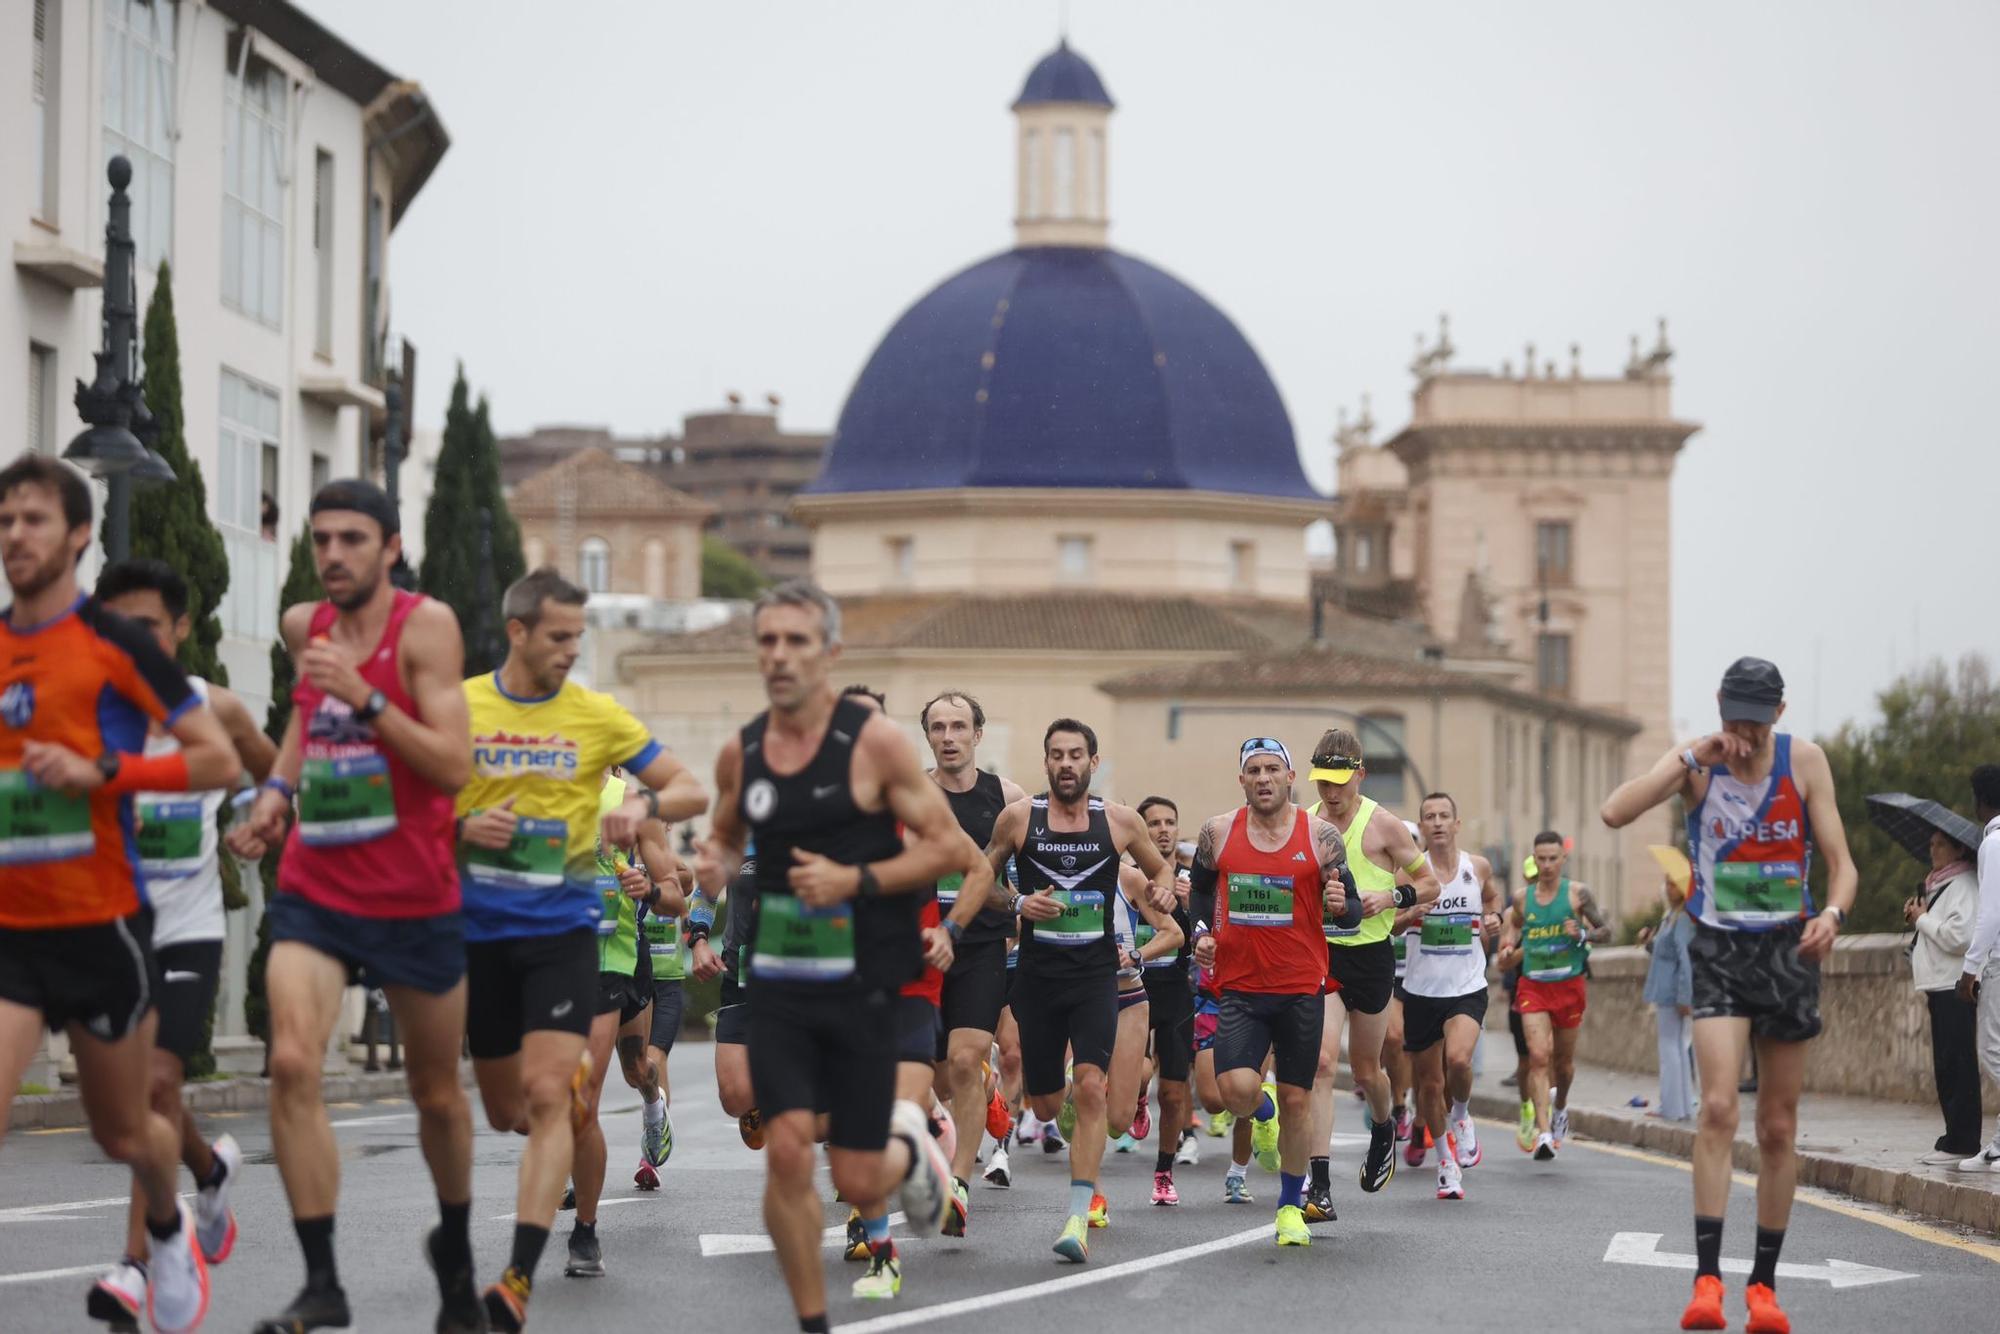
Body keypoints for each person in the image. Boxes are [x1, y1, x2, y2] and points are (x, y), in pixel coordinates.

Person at [232, 479, 482, 1334]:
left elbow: (453, 766)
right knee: (294, 1063)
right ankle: (322, 1282)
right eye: (321, 540)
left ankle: (453, 1246)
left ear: (391, 546)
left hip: (414, 895)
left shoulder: (428, 627)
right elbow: (307, 718)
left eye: (351, 539)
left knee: (438, 1094)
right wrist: (276, 789)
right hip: (317, 886)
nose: (332, 555)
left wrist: (369, 697)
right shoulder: (308, 626)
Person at [0, 457, 241, 1334]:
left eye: (33, 519)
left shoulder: (114, 645)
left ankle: (170, 1225)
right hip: (12, 933)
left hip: (105, 926)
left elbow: (216, 758)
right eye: (4, 520)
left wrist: (104, 769)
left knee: (127, 1129)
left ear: (76, 535)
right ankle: (155, 1247)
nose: (15, 535)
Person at [693, 582, 958, 1332]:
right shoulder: (742, 751)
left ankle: (914, 1153)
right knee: (783, 1151)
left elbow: (944, 847)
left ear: (830, 653)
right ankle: (814, 1321)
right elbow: (722, 840)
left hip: (863, 984)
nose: (779, 656)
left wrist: (855, 879)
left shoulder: (873, 744)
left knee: (855, 1171)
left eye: (797, 641)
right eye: (768, 640)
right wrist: (710, 867)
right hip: (779, 982)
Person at [452, 566, 705, 1326]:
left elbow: (687, 787)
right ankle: (556, 1179)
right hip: (486, 933)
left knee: (564, 1101)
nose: (571, 650)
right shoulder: (460, 707)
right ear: (518, 632)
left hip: (572, 941)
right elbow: (405, 799)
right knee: (507, 1111)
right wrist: (458, 828)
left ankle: (534, 1265)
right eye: (558, 637)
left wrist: (645, 804)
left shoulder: (597, 717)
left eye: (579, 637)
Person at [1602, 655, 1857, 1334]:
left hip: (1787, 949)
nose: (1739, 733)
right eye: (1729, 718)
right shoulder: (1697, 765)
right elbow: (1613, 812)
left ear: (1778, 712)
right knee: (1717, 1108)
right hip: (1716, 950)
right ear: (1718, 708)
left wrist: (1832, 916)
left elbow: (1843, 865)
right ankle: (1707, 1281)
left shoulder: (1805, 764)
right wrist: (1689, 754)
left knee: (1777, 1125)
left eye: (1752, 719)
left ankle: (1764, 1290)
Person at [88, 560, 278, 1329]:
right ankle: (208, 1167)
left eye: (149, 629)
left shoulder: (214, 709)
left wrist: (264, 821)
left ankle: (136, 1263)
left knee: (156, 1088)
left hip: (190, 929)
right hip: (108, 930)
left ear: (180, 630)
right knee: (141, 1106)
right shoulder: (83, 708)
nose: (134, 643)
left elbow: (276, 781)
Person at [981, 717, 1180, 1263]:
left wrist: (1162, 897)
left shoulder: (1118, 822)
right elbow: (984, 879)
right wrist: (1019, 904)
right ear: (1045, 763)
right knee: (1045, 1107)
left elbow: (1162, 873)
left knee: (1093, 1090)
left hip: (1096, 977)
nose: (1065, 764)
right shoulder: (1018, 819)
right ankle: (1052, 1090)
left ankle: (1077, 1215)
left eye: (1076, 755)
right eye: (1056, 755)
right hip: (1038, 980)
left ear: (1093, 763)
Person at [1188, 737, 1354, 1246]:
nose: (1263, 778)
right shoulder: (1217, 833)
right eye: (1253, 770)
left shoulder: (1321, 836)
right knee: (1229, 1091)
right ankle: (1261, 1114)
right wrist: (1200, 934)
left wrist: (1340, 900)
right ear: (1242, 780)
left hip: (1302, 988)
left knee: (1298, 1101)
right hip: (1240, 986)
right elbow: (1197, 890)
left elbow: (1350, 914)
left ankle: (1289, 1208)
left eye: (1272, 769)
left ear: (1289, 778)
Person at [1304, 728, 1437, 1219]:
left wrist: (1391, 897)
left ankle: (1384, 1125)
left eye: (1340, 780)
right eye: (1323, 781)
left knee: (1367, 1070)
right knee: (1320, 1062)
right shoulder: (1305, 825)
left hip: (1373, 957)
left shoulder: (1383, 825)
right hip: (1324, 956)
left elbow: (1430, 884)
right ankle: (1320, 1188)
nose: (1331, 791)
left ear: (1360, 774)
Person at [919, 690, 1025, 1235]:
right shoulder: (913, 796)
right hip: (921, 950)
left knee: (963, 1060)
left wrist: (1025, 909)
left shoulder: (1006, 798)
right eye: (938, 728)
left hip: (982, 947)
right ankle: (985, 1093)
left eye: (958, 727)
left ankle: (958, 1185)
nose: (948, 738)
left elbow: (1035, 864)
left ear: (977, 734)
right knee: (935, 1081)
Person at [1402, 792, 1500, 1200]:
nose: (1438, 823)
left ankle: (1461, 1114)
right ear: (1421, 827)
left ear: (1456, 824)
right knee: (1428, 1083)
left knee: (1458, 1059)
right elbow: (1388, 927)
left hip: (1467, 984)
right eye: (1430, 817)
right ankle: (1445, 1163)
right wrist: (1410, 915)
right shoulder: (1408, 876)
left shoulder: (1476, 867)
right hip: (1422, 989)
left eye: (1445, 816)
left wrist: (1493, 919)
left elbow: (1493, 899)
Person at [1494, 829, 1609, 1159]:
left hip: (1569, 985)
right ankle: (1544, 1133)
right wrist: (1507, 948)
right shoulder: (1522, 898)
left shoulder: (1577, 895)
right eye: (1540, 859)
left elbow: (1606, 931)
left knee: (1564, 1063)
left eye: (1552, 859)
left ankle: (1560, 1108)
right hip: (1533, 986)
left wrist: (1583, 932)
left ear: (1563, 859)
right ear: (1534, 859)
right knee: (1538, 1057)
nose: (1546, 866)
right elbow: (1513, 927)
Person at [1135, 796, 1197, 1204]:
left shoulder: (1192, 880)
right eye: (1153, 823)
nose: (1162, 829)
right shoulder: (1124, 877)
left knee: (1174, 1093)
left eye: (1169, 822)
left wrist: (1190, 905)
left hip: (1175, 991)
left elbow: (1209, 933)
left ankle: (1163, 1172)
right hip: (1132, 991)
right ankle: (1136, 1098)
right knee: (1139, 1073)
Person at [1904, 827, 1979, 1163]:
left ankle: (1962, 1141)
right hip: (1938, 984)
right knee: (1946, 1063)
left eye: (1941, 845)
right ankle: (1953, 1136)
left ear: (1959, 849)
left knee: (1957, 1062)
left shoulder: (1963, 884)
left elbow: (1959, 937)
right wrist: (1921, 915)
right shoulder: (1940, 884)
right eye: (1931, 844)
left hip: (1954, 984)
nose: (1933, 850)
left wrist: (1922, 920)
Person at [1956, 764, 2000, 1172]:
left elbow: (1989, 916)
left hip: (1999, 962)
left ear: (1983, 800)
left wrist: (1971, 969)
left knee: (1991, 1051)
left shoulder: (1994, 843)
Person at [1640, 867, 1698, 1124]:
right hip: (1667, 988)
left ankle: (1672, 1107)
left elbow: (1685, 960)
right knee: (1676, 1047)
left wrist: (1685, 997)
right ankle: (1680, 1105)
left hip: (1672, 991)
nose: (1669, 888)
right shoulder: (1671, 916)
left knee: (1670, 1048)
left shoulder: (1683, 918)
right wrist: (1649, 942)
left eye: (1674, 883)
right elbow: (1665, 954)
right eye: (1667, 883)